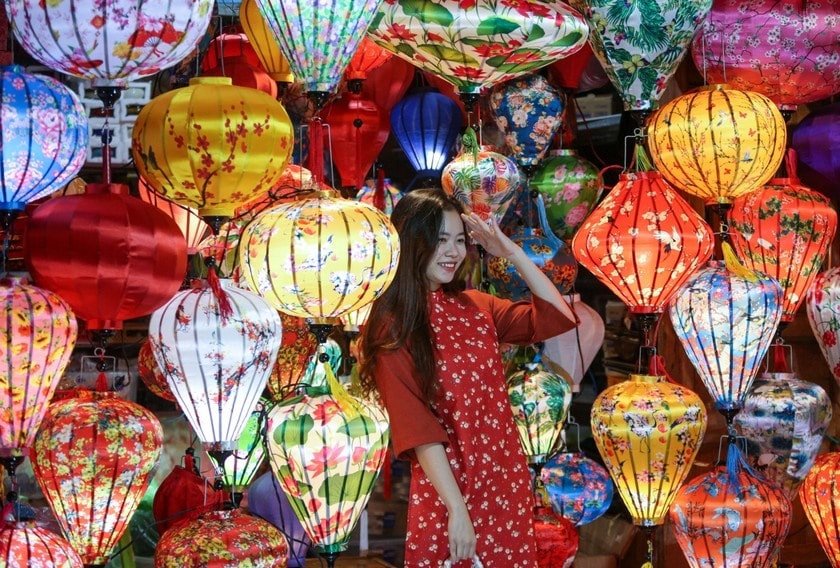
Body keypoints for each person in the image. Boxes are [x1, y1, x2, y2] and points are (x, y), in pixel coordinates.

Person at [358, 188, 578, 567]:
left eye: (460, 240)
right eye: (440, 240)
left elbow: (558, 317)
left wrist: (510, 252)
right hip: (448, 493)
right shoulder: (391, 327)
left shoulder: (475, 307)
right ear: (412, 242)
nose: (453, 252)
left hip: (505, 485)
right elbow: (418, 429)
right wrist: (457, 510)